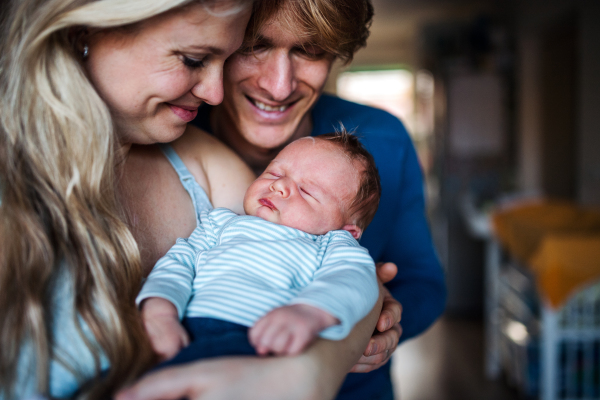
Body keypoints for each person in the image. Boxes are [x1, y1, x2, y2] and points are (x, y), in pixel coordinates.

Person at [0, 0, 398, 399]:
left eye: (225, 57)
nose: (215, 93)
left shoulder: (208, 166)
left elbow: (356, 282)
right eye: (193, 59)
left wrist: (315, 366)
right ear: (82, 33)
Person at [182, 0, 446, 399]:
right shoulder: (173, 132)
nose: (279, 85)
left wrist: (378, 321)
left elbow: (424, 283)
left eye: (309, 50)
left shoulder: (385, 141)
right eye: (254, 45)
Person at [138, 133, 381, 366]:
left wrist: (310, 312)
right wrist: (160, 312)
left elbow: (354, 279)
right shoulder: (219, 223)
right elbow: (178, 263)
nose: (279, 185)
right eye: (274, 172)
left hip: (261, 340)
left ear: (347, 231)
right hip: (187, 329)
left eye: (306, 191)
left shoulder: (331, 245)